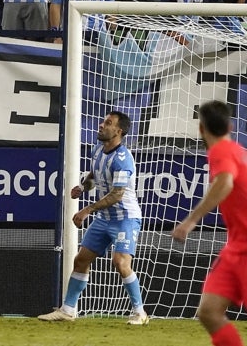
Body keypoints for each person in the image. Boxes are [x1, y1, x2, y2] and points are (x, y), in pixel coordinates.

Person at [37, 111, 148, 325]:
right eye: (103, 121)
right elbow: (93, 176)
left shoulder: (123, 159)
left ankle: (140, 312)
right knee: (81, 260)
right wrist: (83, 187)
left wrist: (87, 209)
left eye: (108, 123)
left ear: (119, 131)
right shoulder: (97, 150)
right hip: (104, 219)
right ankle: (68, 310)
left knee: (120, 262)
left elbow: (117, 194)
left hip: (125, 218)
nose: (101, 125)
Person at [172, 101, 247, 346]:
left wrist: (190, 221)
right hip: (235, 247)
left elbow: (225, 182)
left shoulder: (222, 151)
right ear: (231, 126)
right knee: (209, 311)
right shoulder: (234, 150)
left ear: (201, 129)